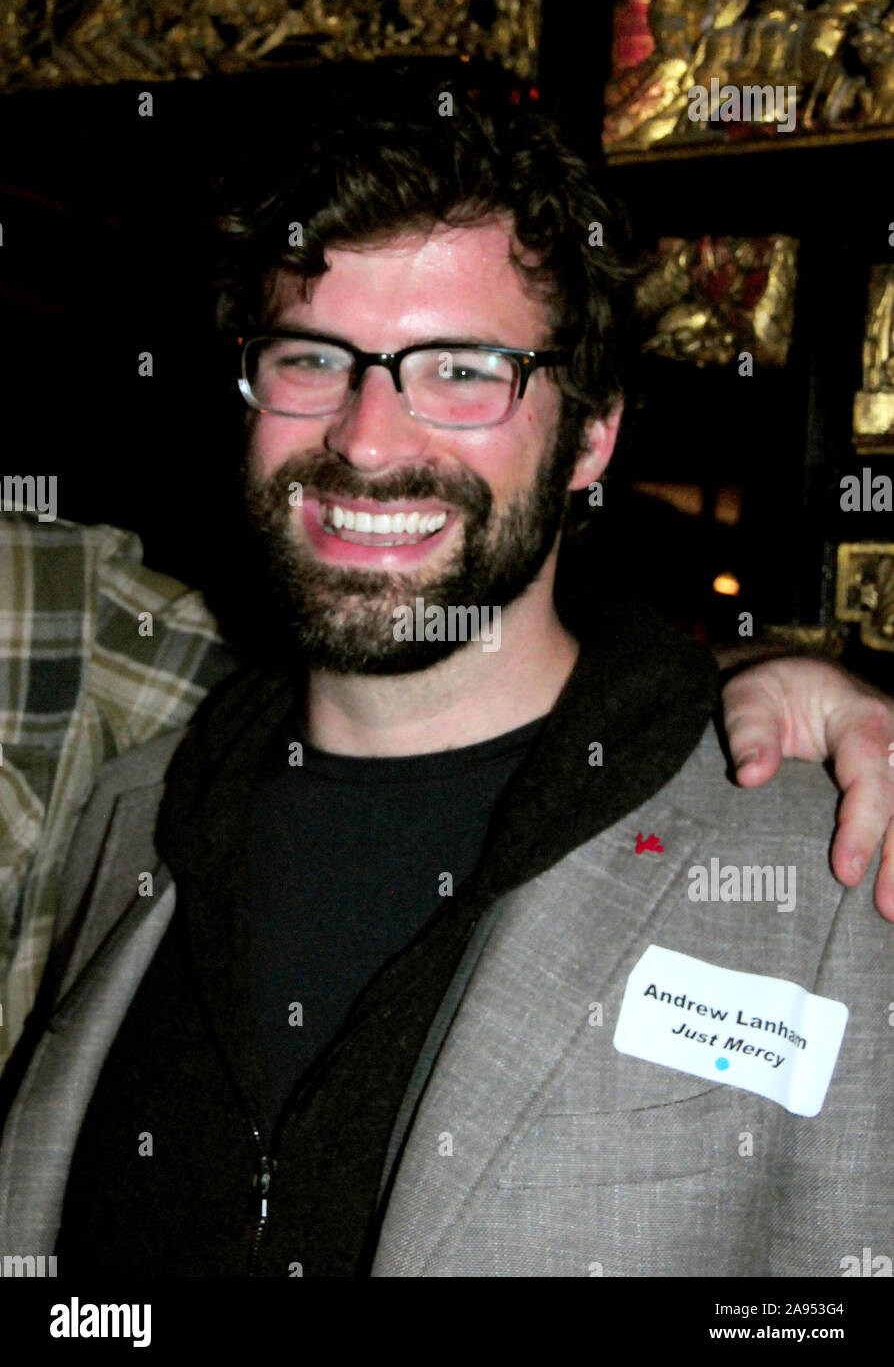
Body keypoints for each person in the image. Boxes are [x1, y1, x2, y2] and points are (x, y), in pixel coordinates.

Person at [0, 66, 891, 1278]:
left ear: (590, 435)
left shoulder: (825, 865)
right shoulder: (132, 810)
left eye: (463, 371)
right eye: (315, 358)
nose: (367, 440)